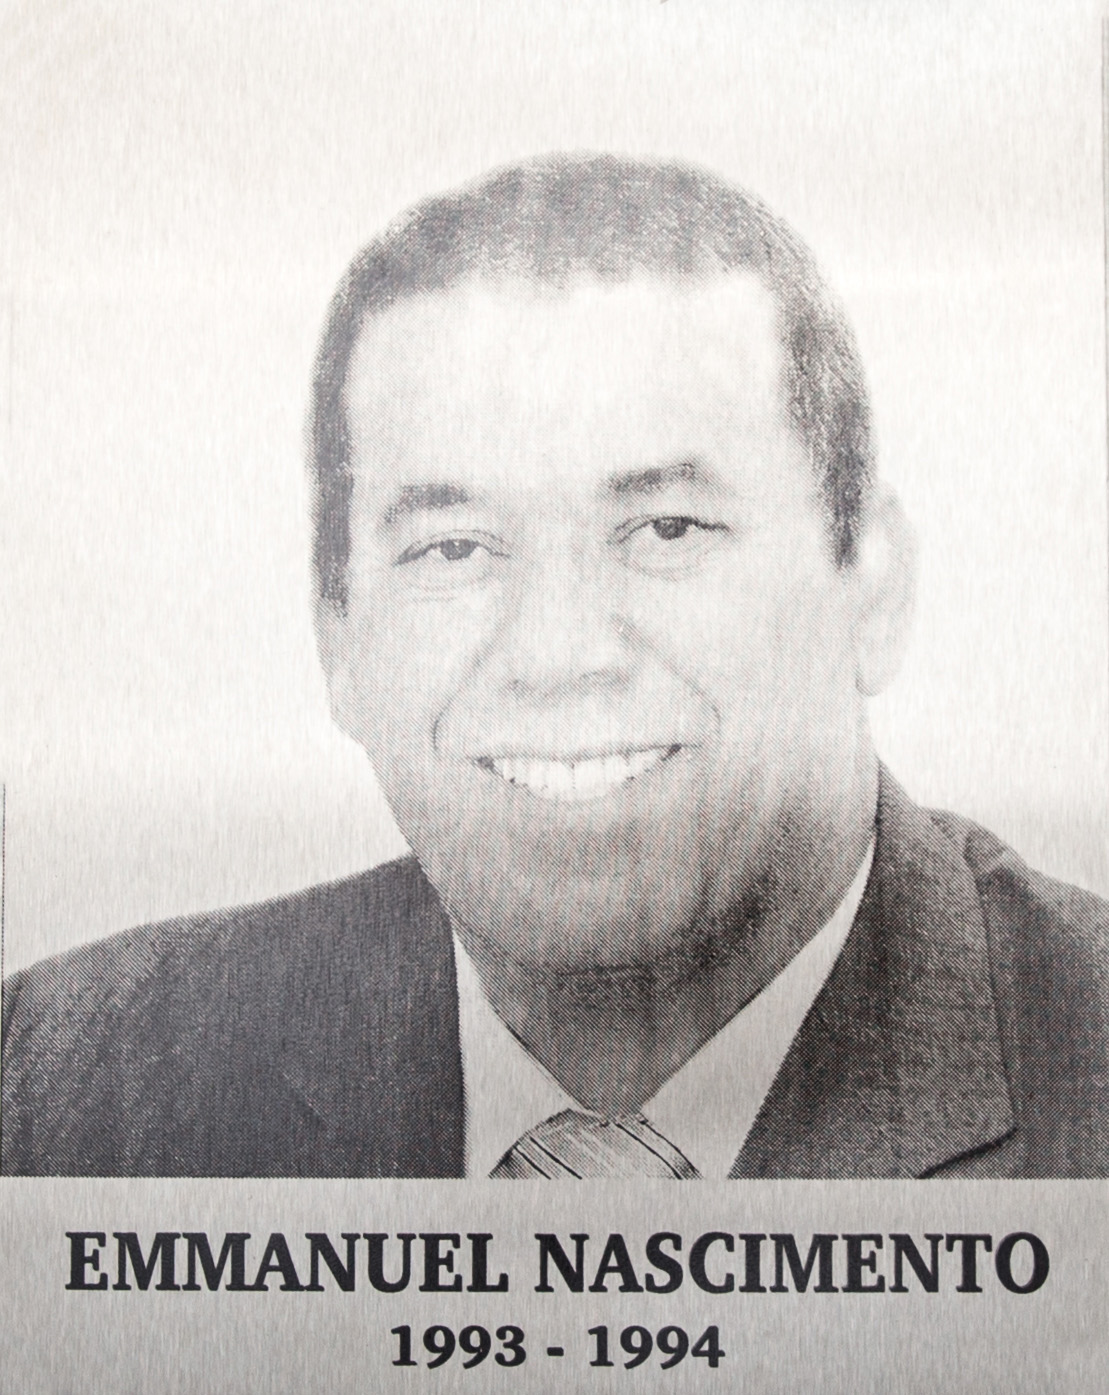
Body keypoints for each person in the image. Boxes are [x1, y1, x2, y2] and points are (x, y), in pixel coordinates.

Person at [3, 154, 1107, 1178]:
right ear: (335, 633)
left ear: (870, 585)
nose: (558, 653)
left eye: (666, 529)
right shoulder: (66, 1092)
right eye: (453, 549)